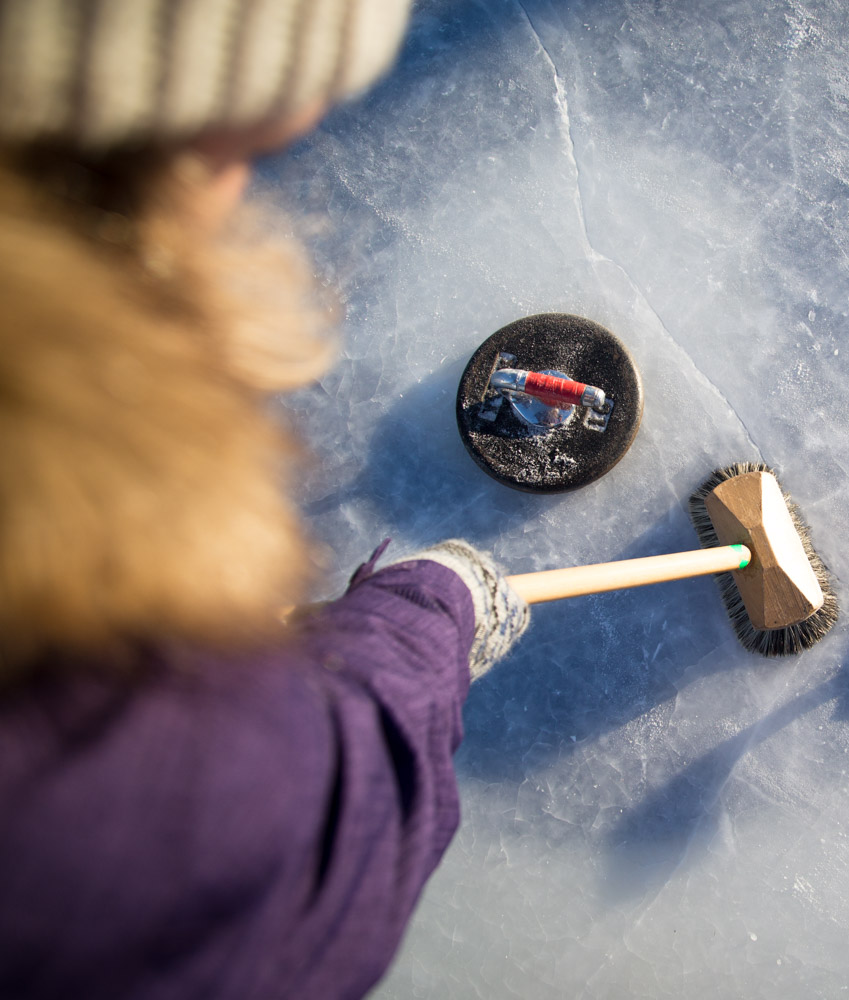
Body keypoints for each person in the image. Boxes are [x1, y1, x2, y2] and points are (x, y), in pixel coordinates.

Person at [0, 1, 530, 996]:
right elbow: (307, 841)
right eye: (234, 151)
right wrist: (426, 620)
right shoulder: (111, 781)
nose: (244, 199)